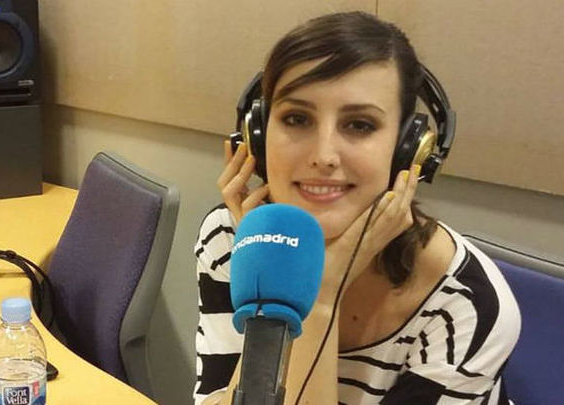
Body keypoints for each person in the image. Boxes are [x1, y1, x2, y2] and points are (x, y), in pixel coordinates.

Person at [194, 11, 520, 405]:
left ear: (409, 150)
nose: (323, 155)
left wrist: (320, 299)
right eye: (296, 118)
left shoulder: (464, 306)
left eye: (360, 125)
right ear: (257, 135)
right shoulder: (232, 236)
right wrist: (271, 275)